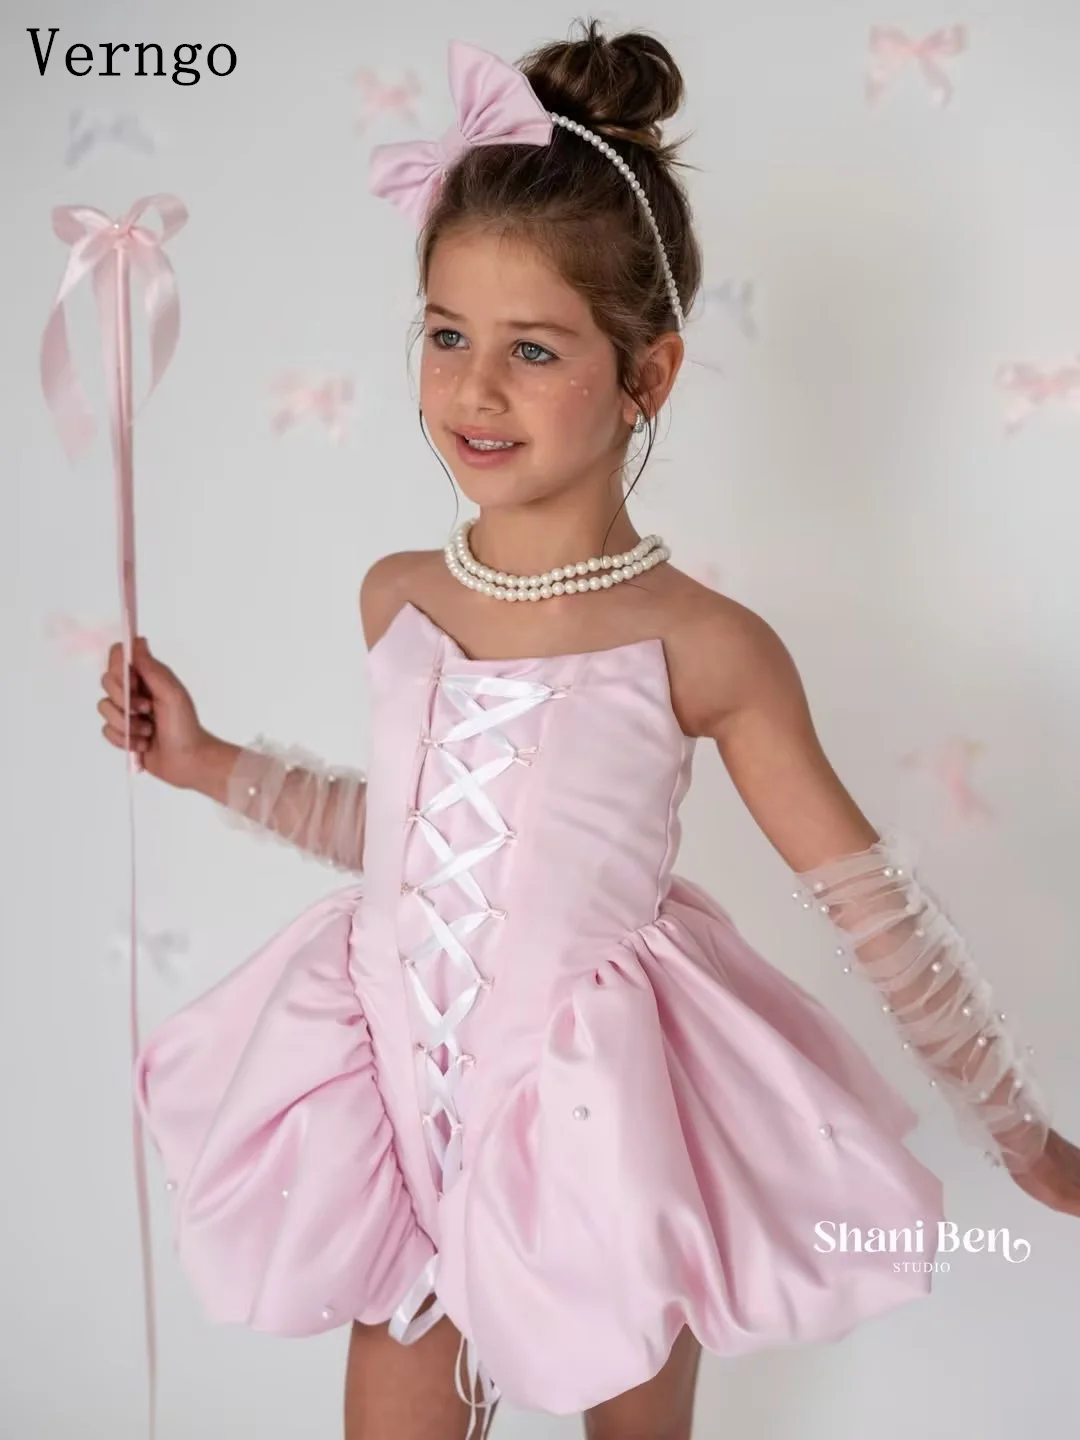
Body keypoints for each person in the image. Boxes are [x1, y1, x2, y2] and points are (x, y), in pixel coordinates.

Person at [96, 20, 1080, 1440]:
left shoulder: (707, 645)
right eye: (446, 335)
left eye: (534, 349)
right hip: (398, 1122)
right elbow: (409, 845)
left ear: (647, 376)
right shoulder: (398, 597)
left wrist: (1018, 1129)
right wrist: (204, 765)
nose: (474, 389)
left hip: (596, 1137)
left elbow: (873, 906)